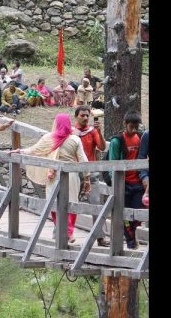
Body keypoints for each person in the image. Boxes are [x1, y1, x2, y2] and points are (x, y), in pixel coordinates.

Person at [10, 114, 88, 242]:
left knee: (53, 203)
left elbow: (34, 150)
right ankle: (69, 232)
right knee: (72, 202)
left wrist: (19, 151)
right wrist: (87, 178)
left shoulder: (49, 138)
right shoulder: (75, 139)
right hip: (72, 176)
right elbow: (83, 160)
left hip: (54, 175)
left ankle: (60, 229)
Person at [72, 105, 110, 247]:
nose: (85, 118)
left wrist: (99, 132)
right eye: (82, 115)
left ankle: (100, 237)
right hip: (74, 172)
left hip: (91, 172)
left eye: (87, 115)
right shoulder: (71, 132)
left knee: (96, 204)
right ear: (76, 116)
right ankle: (65, 235)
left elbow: (101, 147)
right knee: (68, 202)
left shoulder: (92, 131)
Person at [106, 112, 144, 249]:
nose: (134, 129)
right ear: (125, 124)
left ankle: (131, 238)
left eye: (136, 126)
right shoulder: (117, 141)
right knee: (125, 215)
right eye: (131, 126)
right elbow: (112, 164)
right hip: (124, 183)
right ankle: (131, 243)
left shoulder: (140, 138)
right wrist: (115, 184)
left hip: (138, 182)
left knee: (139, 211)